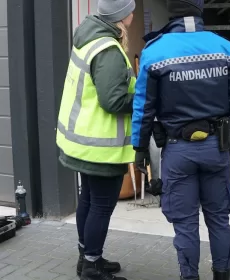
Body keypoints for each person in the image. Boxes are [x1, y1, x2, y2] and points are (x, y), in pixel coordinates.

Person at [131, 1, 230, 279]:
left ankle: (189, 275)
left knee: (185, 224)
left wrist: (139, 148)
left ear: (172, 11)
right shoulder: (226, 49)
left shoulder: (155, 52)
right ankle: (222, 274)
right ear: (200, 10)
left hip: (177, 150)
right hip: (216, 148)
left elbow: (143, 107)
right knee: (219, 220)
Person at [56, 0, 136, 279]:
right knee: (100, 205)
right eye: (129, 10)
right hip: (100, 148)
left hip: (83, 142)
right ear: (121, 16)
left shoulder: (88, 36)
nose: (133, 14)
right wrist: (146, 98)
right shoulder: (108, 49)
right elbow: (113, 100)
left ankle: (88, 258)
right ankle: (91, 266)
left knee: (88, 200)